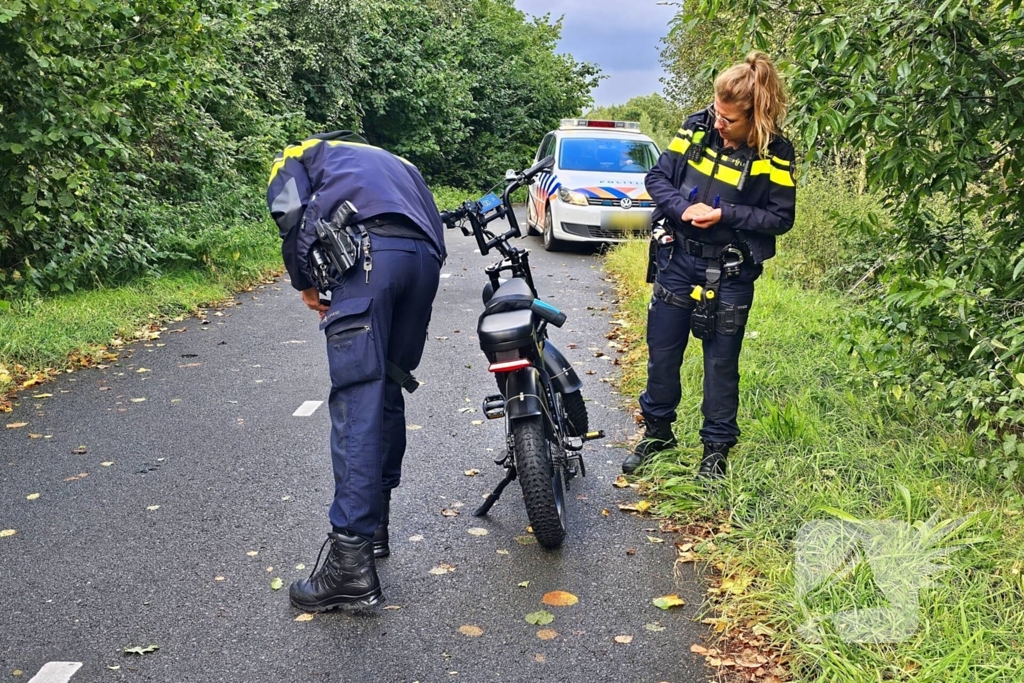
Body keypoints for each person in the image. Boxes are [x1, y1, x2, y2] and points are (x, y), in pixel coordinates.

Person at [266, 130, 445, 610]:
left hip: (369, 257)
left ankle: (350, 562)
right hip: (423, 261)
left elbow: (288, 208)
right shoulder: (400, 161)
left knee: (358, 396)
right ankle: (377, 528)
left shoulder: (303, 152)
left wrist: (305, 279)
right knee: (387, 388)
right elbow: (434, 227)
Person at [622, 52, 796, 479]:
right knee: (663, 354)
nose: (719, 124)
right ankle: (658, 433)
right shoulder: (696, 126)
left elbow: (780, 217)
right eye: (717, 113)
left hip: (732, 270)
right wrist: (683, 210)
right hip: (677, 259)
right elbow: (656, 178)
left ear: (756, 116)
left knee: (721, 363)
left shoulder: (776, 151)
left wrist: (726, 215)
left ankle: (715, 451)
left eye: (729, 119)